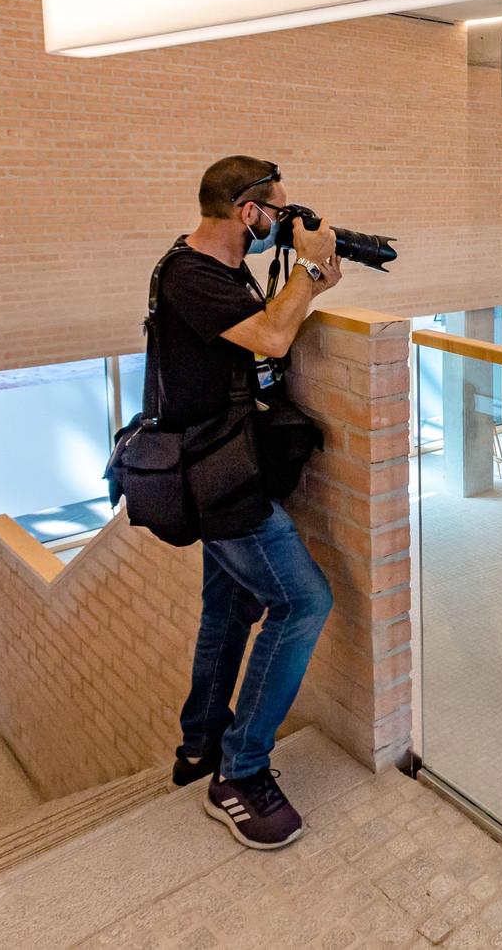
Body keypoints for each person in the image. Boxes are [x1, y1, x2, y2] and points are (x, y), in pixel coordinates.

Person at [165, 156, 342, 850]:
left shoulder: (218, 270)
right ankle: (239, 773)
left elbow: (270, 326)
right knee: (305, 601)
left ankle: (200, 744)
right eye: (278, 210)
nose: (283, 221)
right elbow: (271, 336)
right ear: (247, 212)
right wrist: (307, 270)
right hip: (218, 477)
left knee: (232, 604)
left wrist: (317, 276)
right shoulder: (190, 275)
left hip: (225, 462)